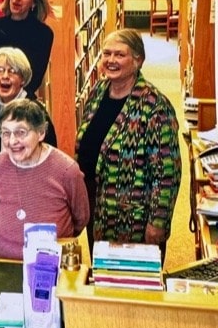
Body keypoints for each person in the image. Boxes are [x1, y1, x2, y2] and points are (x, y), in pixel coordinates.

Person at [75, 28, 181, 259]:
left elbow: (168, 173)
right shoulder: (98, 90)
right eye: (106, 54)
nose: (111, 60)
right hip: (98, 205)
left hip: (134, 218)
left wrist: (158, 222)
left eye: (120, 55)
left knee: (133, 282)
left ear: (138, 60)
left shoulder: (154, 106)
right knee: (102, 270)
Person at [0, 99, 89, 260]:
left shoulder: (66, 170)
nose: (12, 141)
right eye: (6, 133)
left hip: (49, 266)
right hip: (0, 263)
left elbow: (81, 218)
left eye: (21, 132)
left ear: (41, 132)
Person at [0, 46, 57, 158]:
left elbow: (50, 154)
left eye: (12, 71)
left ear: (23, 79)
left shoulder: (35, 111)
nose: (5, 76)